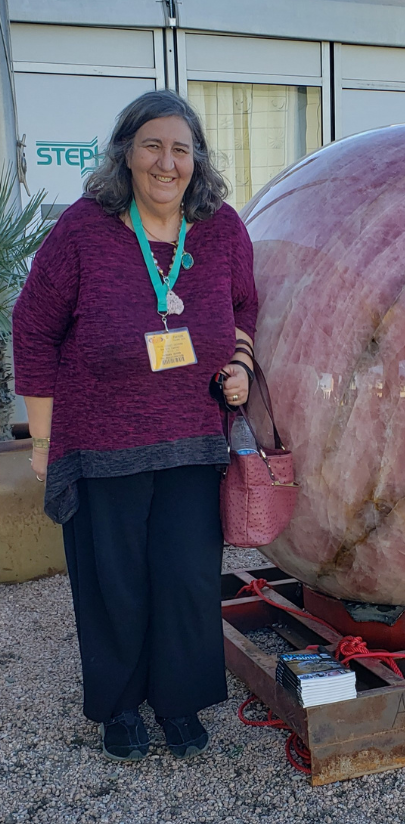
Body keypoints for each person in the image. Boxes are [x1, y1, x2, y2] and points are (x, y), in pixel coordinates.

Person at [12, 89, 258, 762]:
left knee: (184, 579)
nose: (166, 162)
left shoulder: (221, 227)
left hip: (191, 441)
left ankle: (178, 702)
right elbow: (33, 326)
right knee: (113, 581)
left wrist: (236, 363)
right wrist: (43, 439)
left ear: (196, 161)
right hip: (100, 445)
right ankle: (119, 706)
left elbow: (244, 307)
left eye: (181, 148)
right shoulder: (85, 229)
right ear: (125, 152)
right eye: (152, 145)